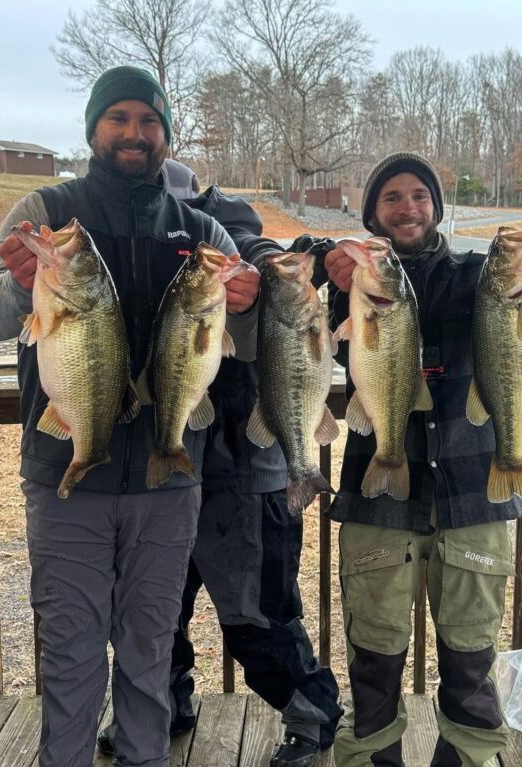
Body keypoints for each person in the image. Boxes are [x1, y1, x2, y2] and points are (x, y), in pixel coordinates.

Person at [0, 66, 260, 767]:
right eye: (120, 118)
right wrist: (17, 284)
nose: (135, 133)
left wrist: (251, 306)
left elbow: (243, 344)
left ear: (165, 135)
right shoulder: (44, 211)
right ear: (94, 128)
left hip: (168, 482)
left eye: (149, 121)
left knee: (150, 647)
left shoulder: (201, 230)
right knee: (70, 650)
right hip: (66, 473)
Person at [96, 159, 343, 767]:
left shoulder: (223, 222)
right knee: (153, 609)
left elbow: (265, 254)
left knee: (257, 612)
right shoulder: (117, 239)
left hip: (245, 469)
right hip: (162, 464)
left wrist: (307, 258)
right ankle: (166, 702)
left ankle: (312, 717)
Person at [324, 152, 522, 767]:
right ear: (372, 213)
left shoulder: (473, 275)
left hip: (473, 485)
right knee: (373, 648)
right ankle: (374, 754)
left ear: (436, 207)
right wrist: (331, 278)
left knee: (471, 647)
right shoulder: (354, 280)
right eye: (392, 198)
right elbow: (318, 314)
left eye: (419, 196)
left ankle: (469, 755)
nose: (408, 208)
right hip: (379, 487)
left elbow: (519, 308)